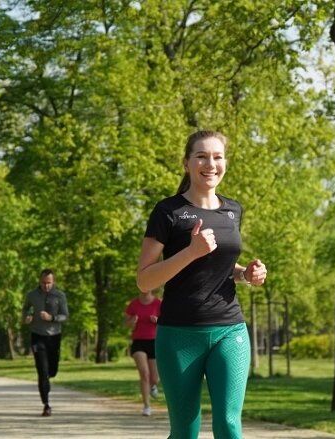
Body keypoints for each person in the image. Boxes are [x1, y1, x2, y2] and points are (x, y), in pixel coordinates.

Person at [136, 130, 267, 439]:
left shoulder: (233, 210)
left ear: (225, 162)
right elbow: (145, 279)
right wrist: (190, 252)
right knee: (184, 431)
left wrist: (245, 274)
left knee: (229, 425)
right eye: (202, 156)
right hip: (179, 335)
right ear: (187, 163)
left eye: (218, 157)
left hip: (229, 329)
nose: (211, 164)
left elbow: (218, 266)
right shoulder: (167, 212)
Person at [22, 269, 69, 417]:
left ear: (53, 282)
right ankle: (46, 404)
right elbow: (25, 309)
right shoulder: (32, 295)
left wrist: (52, 318)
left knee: (52, 371)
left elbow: (65, 316)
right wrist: (27, 317)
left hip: (54, 336)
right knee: (42, 371)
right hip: (37, 336)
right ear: (39, 281)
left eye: (49, 283)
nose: (46, 286)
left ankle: (47, 380)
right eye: (43, 282)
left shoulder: (60, 296)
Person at [124, 289, 162, 417]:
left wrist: (157, 320)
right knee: (144, 374)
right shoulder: (133, 304)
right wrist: (132, 321)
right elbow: (125, 324)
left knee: (154, 378)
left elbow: (166, 322)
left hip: (154, 341)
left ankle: (153, 386)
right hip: (138, 341)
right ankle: (147, 406)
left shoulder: (158, 303)